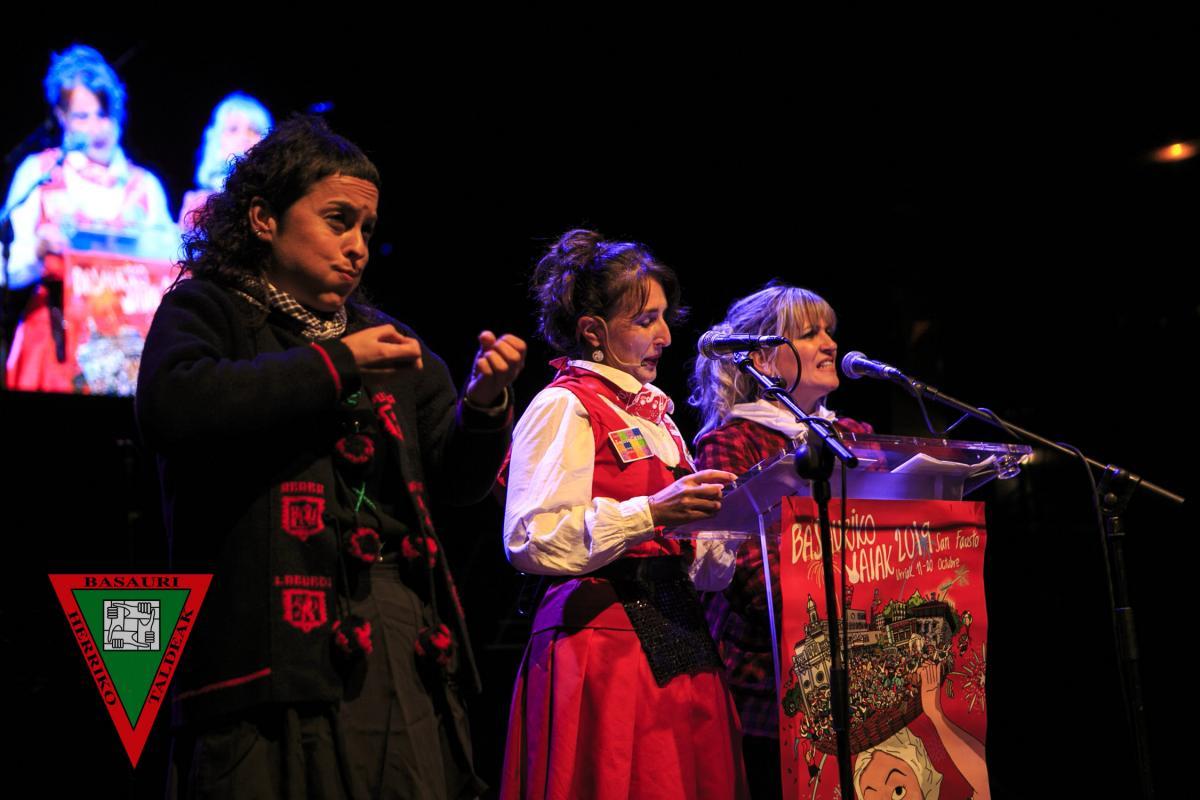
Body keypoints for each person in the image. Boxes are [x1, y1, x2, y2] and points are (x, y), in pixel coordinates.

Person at [136, 115, 525, 799]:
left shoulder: (386, 338)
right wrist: (336, 363)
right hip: (262, 640)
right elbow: (174, 407)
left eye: (367, 230)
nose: (358, 248)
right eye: (338, 221)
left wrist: (485, 405)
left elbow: (457, 482)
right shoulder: (210, 309)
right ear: (263, 218)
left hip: (395, 632)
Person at [499, 229, 749, 800]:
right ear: (594, 331)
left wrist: (733, 525)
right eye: (645, 320)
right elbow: (530, 537)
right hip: (601, 642)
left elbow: (701, 571)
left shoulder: (659, 419)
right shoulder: (564, 403)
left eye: (664, 318)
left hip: (678, 639)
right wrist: (652, 512)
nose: (666, 336)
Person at [688, 283, 873, 800]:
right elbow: (748, 571)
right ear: (763, 360)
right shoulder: (731, 441)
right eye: (809, 334)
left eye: (829, 331)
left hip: (860, 675)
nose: (829, 344)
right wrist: (853, 589)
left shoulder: (855, 437)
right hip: (771, 687)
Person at [3, 44, 175, 392]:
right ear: (62, 116)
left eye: (103, 114)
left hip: (130, 354)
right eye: (82, 117)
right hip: (54, 349)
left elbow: (171, 267)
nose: (95, 128)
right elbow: (6, 268)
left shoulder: (145, 187)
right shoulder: (40, 173)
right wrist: (37, 250)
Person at [178, 92, 272, 231]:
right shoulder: (200, 203)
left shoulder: (271, 198)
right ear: (216, 140)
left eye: (253, 130)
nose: (244, 137)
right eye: (233, 129)